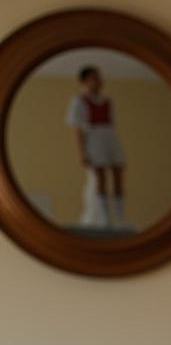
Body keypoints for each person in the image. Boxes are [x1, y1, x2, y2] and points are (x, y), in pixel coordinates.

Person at [65, 65, 127, 228]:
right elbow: (77, 130)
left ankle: (120, 217)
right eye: (95, 78)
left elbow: (111, 124)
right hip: (93, 139)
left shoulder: (107, 101)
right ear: (85, 81)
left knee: (118, 172)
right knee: (100, 177)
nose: (100, 81)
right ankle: (105, 219)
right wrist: (82, 153)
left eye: (100, 77)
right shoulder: (79, 101)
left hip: (110, 137)